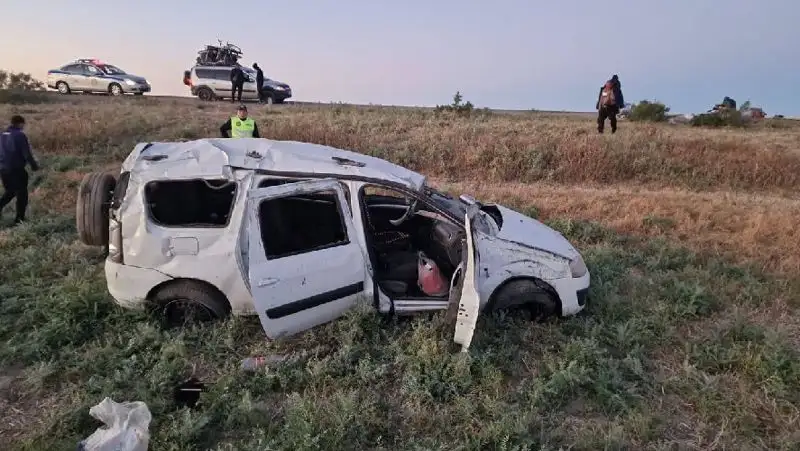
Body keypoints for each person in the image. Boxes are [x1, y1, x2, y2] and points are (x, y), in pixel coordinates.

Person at [0, 115, 39, 225]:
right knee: (22, 194)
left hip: (3, 169)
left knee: (10, 191)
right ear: (20, 123)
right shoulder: (20, 135)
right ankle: (19, 219)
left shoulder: (2, 134)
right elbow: (26, 153)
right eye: (23, 125)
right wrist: (34, 166)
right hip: (16, 169)